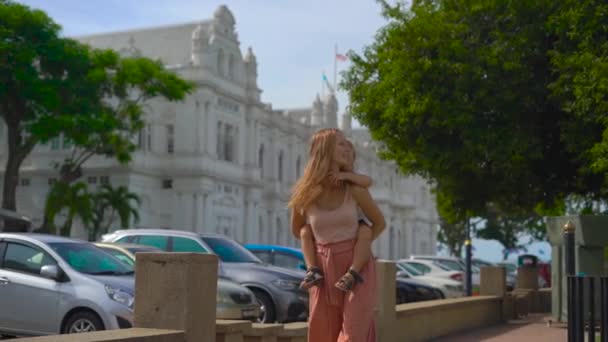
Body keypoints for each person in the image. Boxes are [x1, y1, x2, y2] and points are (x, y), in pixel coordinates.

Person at [289, 128, 385, 342]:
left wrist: (363, 241)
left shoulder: (355, 189)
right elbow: (298, 230)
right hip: (322, 270)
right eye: (341, 143)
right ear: (325, 149)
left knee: (353, 334)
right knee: (322, 334)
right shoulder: (305, 193)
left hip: (357, 269)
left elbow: (379, 223)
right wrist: (319, 247)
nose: (346, 147)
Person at [298, 140, 375, 292]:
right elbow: (297, 227)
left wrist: (346, 175)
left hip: (356, 223)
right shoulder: (309, 191)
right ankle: (312, 270)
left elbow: (368, 181)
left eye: (349, 150)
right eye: (341, 145)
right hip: (326, 250)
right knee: (304, 231)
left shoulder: (353, 181)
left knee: (365, 232)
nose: (346, 151)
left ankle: (353, 271)